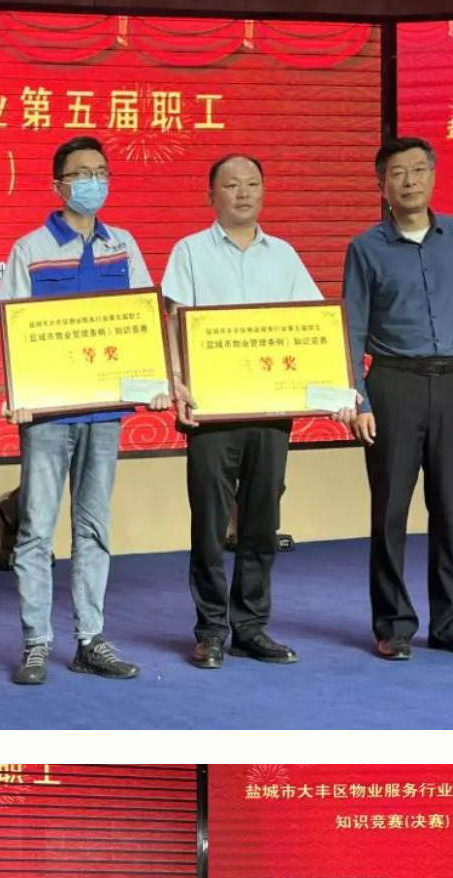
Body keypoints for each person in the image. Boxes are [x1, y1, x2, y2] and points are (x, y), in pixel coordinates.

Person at [0, 135, 169, 686]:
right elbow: (11, 325)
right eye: (81, 174)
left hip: (104, 413)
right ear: (59, 185)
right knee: (35, 530)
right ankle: (36, 642)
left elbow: (142, 320)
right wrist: (19, 395)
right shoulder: (30, 249)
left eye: (101, 172)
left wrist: (155, 383)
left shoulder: (123, 244)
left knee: (94, 529)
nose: (93, 182)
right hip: (48, 415)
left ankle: (90, 639)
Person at [163, 154, 346, 669]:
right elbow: (173, 321)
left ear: (264, 191)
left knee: (262, 523)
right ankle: (211, 629)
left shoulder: (283, 255)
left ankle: (250, 626)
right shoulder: (190, 251)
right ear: (211, 196)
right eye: (231, 185)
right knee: (209, 525)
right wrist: (176, 383)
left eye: (252, 184)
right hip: (210, 413)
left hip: (270, 411)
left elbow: (312, 328)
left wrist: (333, 390)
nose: (242, 193)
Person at [343, 136, 453, 660]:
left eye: (419, 170)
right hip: (392, 384)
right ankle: (393, 625)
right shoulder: (365, 248)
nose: (410, 181)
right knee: (390, 511)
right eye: (398, 173)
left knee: (448, 506)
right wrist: (358, 398)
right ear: (381, 185)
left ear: (433, 176)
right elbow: (351, 328)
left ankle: (451, 624)